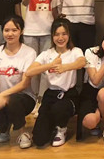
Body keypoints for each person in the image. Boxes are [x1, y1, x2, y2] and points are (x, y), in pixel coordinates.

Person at [26, 17, 85, 147]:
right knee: (39, 140)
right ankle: (51, 126)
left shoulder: (75, 51)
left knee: (59, 108)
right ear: (52, 36)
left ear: (69, 35)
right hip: (51, 95)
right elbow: (29, 72)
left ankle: (61, 129)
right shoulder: (46, 54)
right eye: (57, 34)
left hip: (69, 95)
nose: (60, 38)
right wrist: (50, 65)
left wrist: (65, 67)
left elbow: (82, 62)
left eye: (64, 34)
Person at [0, 15, 36, 149]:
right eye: (6, 30)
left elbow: (24, 84)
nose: (10, 34)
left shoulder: (29, 52)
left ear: (21, 31)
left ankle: (23, 133)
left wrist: (3, 96)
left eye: (14, 30)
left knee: (13, 101)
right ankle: (4, 129)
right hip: (1, 98)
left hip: (24, 98)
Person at [21, 0, 59, 98]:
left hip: (48, 32)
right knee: (32, 67)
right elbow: (24, 4)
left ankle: (42, 98)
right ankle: (31, 96)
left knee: (45, 67)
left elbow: (54, 10)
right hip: (30, 32)